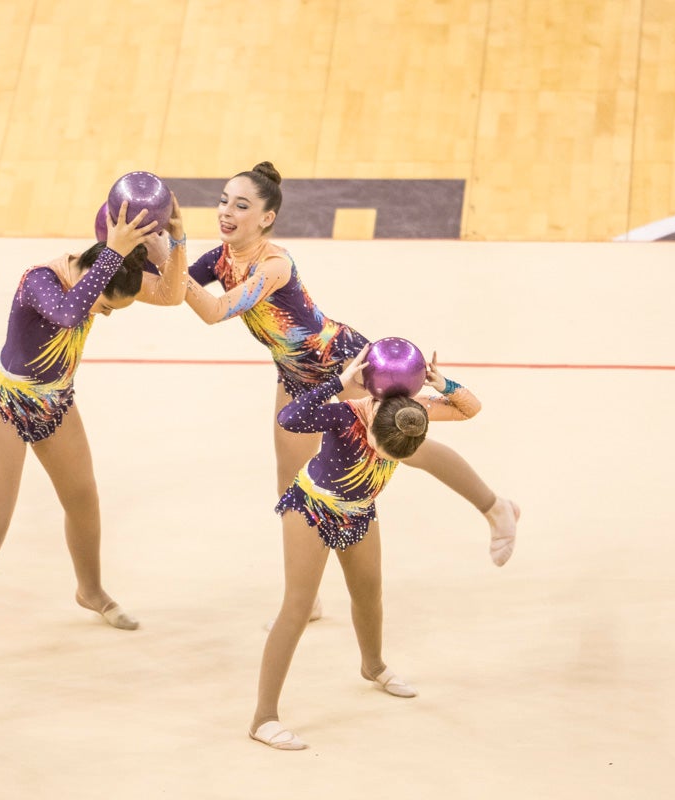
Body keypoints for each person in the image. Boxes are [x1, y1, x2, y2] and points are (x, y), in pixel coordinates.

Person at [181, 162, 519, 603]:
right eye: (224, 201)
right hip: (296, 375)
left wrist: (171, 253)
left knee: (408, 446)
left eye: (241, 205)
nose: (226, 211)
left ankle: (496, 507)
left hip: (345, 365)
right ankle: (304, 596)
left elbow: (213, 310)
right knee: (292, 486)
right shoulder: (220, 259)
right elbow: (174, 290)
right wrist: (128, 262)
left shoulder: (274, 265)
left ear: (267, 218)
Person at [0, 199, 187, 684]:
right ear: (97, 274)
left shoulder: (105, 275)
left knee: (84, 501)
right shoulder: (40, 281)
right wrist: (112, 255)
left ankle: (90, 591)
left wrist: (177, 241)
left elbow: (172, 295)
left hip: (56, 401)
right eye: (106, 308)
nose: (104, 316)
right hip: (6, 404)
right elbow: (69, 314)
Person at [250, 346, 514, 750]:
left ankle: (373, 666)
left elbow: (468, 408)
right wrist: (337, 383)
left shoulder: (413, 412)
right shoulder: (345, 414)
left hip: (359, 510)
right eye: (383, 448)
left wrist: (441, 381)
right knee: (297, 608)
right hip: (312, 510)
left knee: (369, 594)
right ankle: (264, 718)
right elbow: (290, 418)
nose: (385, 456)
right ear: (372, 424)